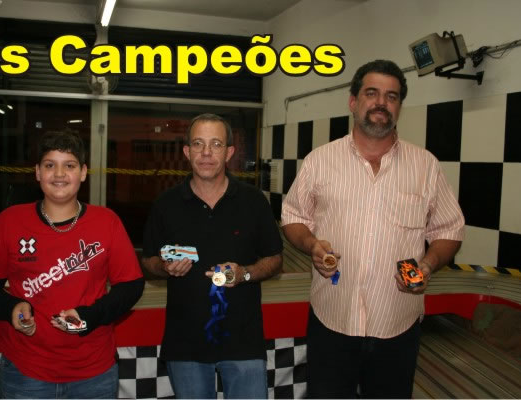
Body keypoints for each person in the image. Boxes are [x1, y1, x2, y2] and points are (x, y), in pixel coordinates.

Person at [281, 60, 465, 398]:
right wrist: (311, 244)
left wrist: (427, 265)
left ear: (399, 107)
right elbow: (293, 215)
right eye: (371, 93)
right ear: (353, 102)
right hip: (332, 319)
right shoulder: (320, 160)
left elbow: (449, 229)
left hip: (397, 324)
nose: (381, 102)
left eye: (391, 96)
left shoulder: (425, 166)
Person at [0, 130, 144, 398]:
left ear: (83, 172)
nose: (59, 174)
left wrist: (89, 316)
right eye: (50, 165)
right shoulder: (10, 222)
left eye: (69, 165)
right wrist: (12, 307)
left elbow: (131, 286)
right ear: (37, 172)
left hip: (94, 372)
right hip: (26, 372)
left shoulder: (107, 222)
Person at [142, 113, 283, 399]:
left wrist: (243, 274)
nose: (206, 152)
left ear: (229, 152)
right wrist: (165, 267)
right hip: (185, 343)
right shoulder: (166, 204)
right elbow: (148, 261)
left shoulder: (253, 201)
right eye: (198, 144)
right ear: (187, 151)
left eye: (216, 144)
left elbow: (275, 260)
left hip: (243, 342)